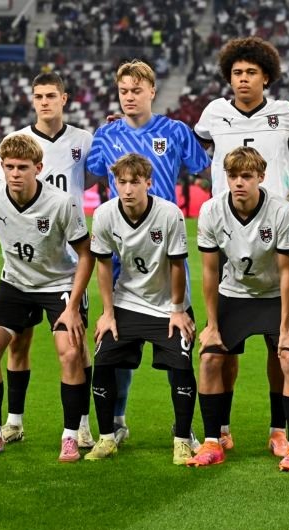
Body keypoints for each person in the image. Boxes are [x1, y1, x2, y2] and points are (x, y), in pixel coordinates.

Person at [0, 134, 94, 461]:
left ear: (38, 168)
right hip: (16, 283)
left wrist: (72, 306)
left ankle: (71, 435)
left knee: (69, 353)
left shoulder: (61, 202)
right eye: (8, 166)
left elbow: (86, 254)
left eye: (22, 167)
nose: (14, 173)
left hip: (58, 284)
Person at [193, 37, 289, 456]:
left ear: (266, 77)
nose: (243, 79)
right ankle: (220, 427)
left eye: (251, 73)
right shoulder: (214, 114)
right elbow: (195, 144)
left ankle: (279, 429)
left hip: (273, 223)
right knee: (224, 347)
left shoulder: (284, 115)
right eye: (237, 73)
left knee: (280, 349)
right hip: (229, 228)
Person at [86, 60, 210, 445]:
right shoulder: (106, 135)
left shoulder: (174, 131)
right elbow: (89, 176)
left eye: (137, 90)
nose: (129, 96)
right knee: (117, 341)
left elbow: (205, 168)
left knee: (180, 330)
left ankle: (184, 427)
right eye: (124, 90)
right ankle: (117, 422)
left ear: (152, 92)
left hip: (164, 244)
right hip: (119, 245)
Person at [0, 71, 95, 450]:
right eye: (38, 96)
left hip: (68, 259)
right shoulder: (16, 143)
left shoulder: (85, 139)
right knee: (18, 344)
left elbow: (97, 178)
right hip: (26, 263)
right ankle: (13, 422)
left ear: (64, 98)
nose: (44, 101)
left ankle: (81, 424)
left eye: (51, 95)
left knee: (75, 346)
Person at [186, 147, 289, 471]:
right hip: (234, 293)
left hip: (276, 295)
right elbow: (210, 272)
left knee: (287, 356)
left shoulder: (280, 211)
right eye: (233, 176)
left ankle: (286, 439)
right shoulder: (212, 210)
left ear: (260, 177)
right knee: (211, 355)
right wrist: (211, 324)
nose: (239, 183)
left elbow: (286, 273)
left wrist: (285, 329)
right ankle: (216, 439)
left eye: (247, 176)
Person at [85, 153, 198, 464]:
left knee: (181, 365)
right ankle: (108, 437)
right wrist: (107, 313)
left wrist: (177, 309)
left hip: (167, 306)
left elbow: (177, 265)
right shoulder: (105, 214)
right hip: (127, 302)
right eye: (122, 182)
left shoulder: (169, 214)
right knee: (104, 358)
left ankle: (182, 438)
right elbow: (104, 266)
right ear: (114, 184)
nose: (128, 189)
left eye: (135, 182)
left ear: (149, 183)